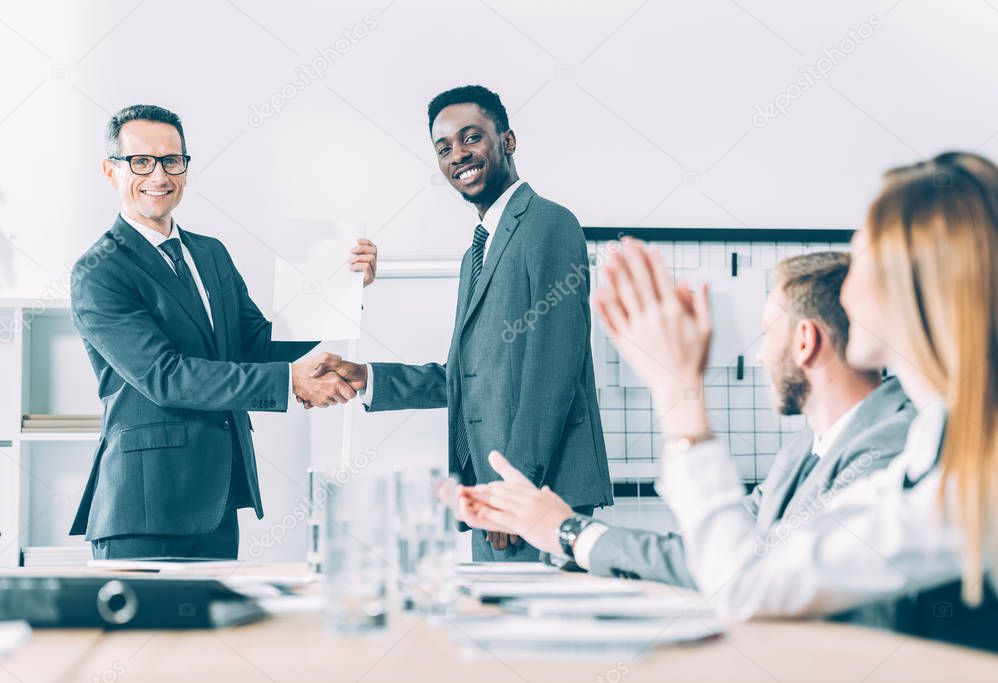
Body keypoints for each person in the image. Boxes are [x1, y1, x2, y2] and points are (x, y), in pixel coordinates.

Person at [459, 151, 998, 657]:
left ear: (914, 288)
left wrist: (678, 392)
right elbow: (746, 561)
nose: (848, 284)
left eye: (864, 256)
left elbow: (745, 582)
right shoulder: (943, 445)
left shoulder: (988, 470)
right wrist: (562, 527)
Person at [454, 251, 915, 585]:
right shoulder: (803, 451)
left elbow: (751, 575)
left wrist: (568, 530)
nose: (758, 357)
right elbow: (710, 553)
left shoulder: (891, 449)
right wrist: (562, 529)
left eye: (766, 334)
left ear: (805, 341)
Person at [316, 85, 613, 560]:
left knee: (529, 631)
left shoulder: (549, 224)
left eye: (471, 138)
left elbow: (550, 373)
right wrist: (368, 378)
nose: (458, 155)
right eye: (444, 148)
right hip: (491, 492)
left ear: (508, 141)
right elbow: (465, 378)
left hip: (538, 492)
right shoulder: (478, 250)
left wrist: (512, 492)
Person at [70, 104, 377, 559]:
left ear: (186, 169)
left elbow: (256, 346)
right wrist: (289, 380)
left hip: (217, 499)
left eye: (172, 161)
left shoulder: (210, 254)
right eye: (141, 162)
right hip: (143, 508)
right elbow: (165, 376)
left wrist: (343, 287)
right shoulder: (99, 270)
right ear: (110, 170)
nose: (159, 175)